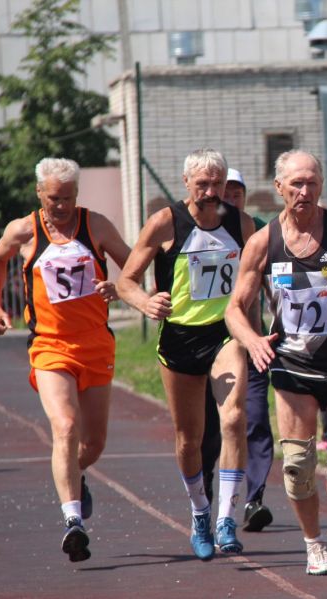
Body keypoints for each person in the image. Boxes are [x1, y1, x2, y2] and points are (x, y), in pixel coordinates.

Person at [225, 150, 327, 576]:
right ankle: (314, 545)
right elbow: (234, 309)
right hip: (292, 364)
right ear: (279, 189)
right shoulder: (262, 244)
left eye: (312, 182)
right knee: (295, 467)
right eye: (296, 183)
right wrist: (253, 339)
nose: (304, 191)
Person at [117, 149, 254, 560]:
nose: (212, 192)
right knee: (188, 438)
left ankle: (227, 519)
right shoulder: (166, 223)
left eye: (218, 184)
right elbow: (126, 280)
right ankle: (200, 511)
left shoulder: (239, 222)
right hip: (178, 339)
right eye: (203, 185)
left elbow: (259, 267)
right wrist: (145, 302)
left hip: (224, 334)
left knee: (233, 419)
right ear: (186, 184)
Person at [0, 157, 131, 562]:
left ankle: (73, 474)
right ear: (40, 193)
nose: (62, 206)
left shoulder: (96, 225)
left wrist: (118, 287)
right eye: (54, 198)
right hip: (50, 346)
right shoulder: (23, 230)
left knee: (93, 442)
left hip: (95, 345)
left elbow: (132, 266)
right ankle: (74, 522)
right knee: (66, 426)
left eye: (69, 198)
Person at [200, 168, 275, 532]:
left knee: (255, 420)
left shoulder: (258, 231)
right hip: (209, 347)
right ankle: (209, 499)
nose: (229, 199)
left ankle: (254, 498)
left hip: (252, 344)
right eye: (223, 192)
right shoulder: (199, 229)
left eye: (236, 193)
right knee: (212, 431)